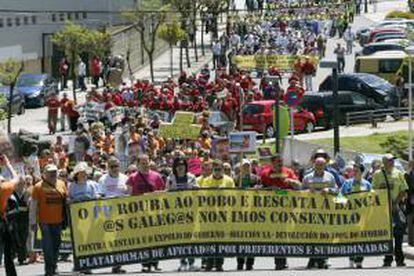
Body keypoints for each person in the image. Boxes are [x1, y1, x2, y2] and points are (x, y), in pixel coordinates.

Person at [260, 154, 301, 270]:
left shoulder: (288, 172)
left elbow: (299, 185)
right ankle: (278, 260)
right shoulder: (265, 173)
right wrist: (269, 190)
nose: (280, 164)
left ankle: (282, 259)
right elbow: (259, 189)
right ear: (272, 163)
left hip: (286, 208)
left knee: (283, 234)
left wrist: (291, 181)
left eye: (281, 161)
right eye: (277, 162)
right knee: (275, 235)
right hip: (271, 209)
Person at [126, 154, 164, 272]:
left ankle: (155, 262)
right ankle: (145, 264)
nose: (145, 164)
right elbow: (128, 196)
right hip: (139, 214)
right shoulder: (132, 178)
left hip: (154, 213)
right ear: (138, 164)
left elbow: (162, 193)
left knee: (156, 239)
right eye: (142, 163)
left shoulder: (157, 176)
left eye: (147, 162)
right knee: (143, 240)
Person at [29, 164, 68, 276]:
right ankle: (49, 269)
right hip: (44, 221)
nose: (53, 174)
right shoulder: (37, 187)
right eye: (50, 172)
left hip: (58, 221)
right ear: (44, 174)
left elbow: (66, 200)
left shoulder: (62, 184)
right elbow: (33, 206)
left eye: (55, 172)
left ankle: (54, 266)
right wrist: (32, 222)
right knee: (47, 246)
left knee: (56, 245)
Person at [372, 154, 408, 267]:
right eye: (390, 160)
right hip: (383, 209)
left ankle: (399, 259)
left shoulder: (399, 173)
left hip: (396, 207)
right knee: (386, 234)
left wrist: (395, 203)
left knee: (399, 234)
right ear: (384, 162)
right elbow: (374, 191)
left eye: (393, 160)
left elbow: (404, 190)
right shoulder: (377, 175)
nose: (392, 162)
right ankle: (387, 259)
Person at [303, 156, 338, 269]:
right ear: (314, 165)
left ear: (325, 166)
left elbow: (337, 191)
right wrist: (308, 191)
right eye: (317, 164)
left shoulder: (330, 177)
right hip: (311, 210)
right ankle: (312, 259)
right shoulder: (307, 178)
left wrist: (329, 190)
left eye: (321, 165)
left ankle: (323, 258)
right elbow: (300, 192)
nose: (319, 166)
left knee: (324, 235)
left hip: (325, 210)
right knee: (312, 235)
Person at [199, 159, 234, 271]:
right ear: (212, 170)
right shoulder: (206, 180)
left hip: (223, 215)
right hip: (209, 216)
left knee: (221, 240)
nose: (217, 171)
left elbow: (234, 196)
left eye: (219, 169)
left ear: (223, 169)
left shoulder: (229, 181)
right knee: (209, 240)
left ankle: (219, 264)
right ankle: (209, 263)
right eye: (215, 169)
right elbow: (202, 196)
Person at [166, 157, 198, 271]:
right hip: (177, 213)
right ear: (175, 167)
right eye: (178, 165)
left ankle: (192, 262)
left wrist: (195, 189)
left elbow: (197, 193)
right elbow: (166, 195)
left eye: (182, 164)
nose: (180, 166)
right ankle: (183, 262)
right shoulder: (170, 178)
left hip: (189, 212)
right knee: (180, 239)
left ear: (185, 166)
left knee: (190, 239)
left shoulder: (192, 177)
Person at [341, 163, 372, 268]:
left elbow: (372, 198)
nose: (354, 172)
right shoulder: (347, 183)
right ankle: (351, 257)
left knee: (361, 237)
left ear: (361, 172)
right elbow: (341, 197)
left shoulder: (367, 184)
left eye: (357, 170)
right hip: (350, 215)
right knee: (351, 237)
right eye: (353, 171)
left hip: (363, 215)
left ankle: (359, 260)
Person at [0, 154, 20, 276]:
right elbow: (16, 178)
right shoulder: (3, 187)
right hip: (1, 221)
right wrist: (7, 164)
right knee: (8, 251)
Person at [405, 160, 414, 246]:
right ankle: (411, 242)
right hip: (410, 203)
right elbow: (406, 188)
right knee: (410, 222)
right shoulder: (407, 175)